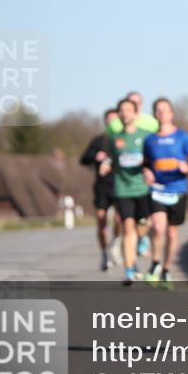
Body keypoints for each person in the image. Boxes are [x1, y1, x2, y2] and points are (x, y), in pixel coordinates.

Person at [142, 97, 188, 289]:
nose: (162, 113)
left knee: (172, 234)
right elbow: (146, 163)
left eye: (165, 110)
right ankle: (155, 263)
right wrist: (146, 171)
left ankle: (166, 268)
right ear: (155, 114)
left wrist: (187, 167)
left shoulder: (183, 137)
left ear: (172, 113)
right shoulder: (150, 140)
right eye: (158, 110)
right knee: (158, 227)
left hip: (178, 189)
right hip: (157, 189)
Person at [100, 98, 152, 286]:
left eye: (128, 110)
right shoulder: (115, 139)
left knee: (143, 226)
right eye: (121, 110)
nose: (125, 114)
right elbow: (112, 160)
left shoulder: (146, 136)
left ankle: (143, 238)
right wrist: (107, 166)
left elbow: (153, 159)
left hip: (143, 188)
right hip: (123, 188)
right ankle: (129, 269)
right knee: (127, 229)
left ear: (135, 113)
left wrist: (147, 166)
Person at [79, 109, 123, 271]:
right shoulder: (98, 141)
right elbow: (83, 159)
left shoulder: (122, 139)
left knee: (119, 219)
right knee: (101, 219)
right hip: (102, 186)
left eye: (114, 119)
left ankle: (116, 242)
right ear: (105, 122)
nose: (111, 122)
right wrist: (94, 156)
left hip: (119, 185)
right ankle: (104, 253)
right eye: (109, 120)